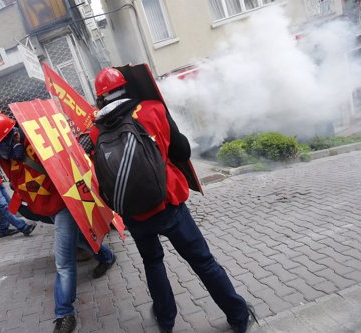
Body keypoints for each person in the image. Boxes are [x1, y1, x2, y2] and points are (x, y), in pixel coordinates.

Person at [85, 67, 256, 333]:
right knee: (203, 262)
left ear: (100, 99)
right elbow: (183, 150)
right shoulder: (153, 109)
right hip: (168, 203)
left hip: (133, 213)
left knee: (152, 262)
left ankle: (165, 321)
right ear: (127, 87)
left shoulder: (96, 132)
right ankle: (238, 315)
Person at [0, 109, 116, 333]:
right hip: (42, 206)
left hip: (64, 203)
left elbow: (68, 158)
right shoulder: (2, 150)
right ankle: (107, 256)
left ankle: (64, 313)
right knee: (79, 240)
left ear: (14, 135)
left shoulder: (38, 137)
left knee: (64, 261)